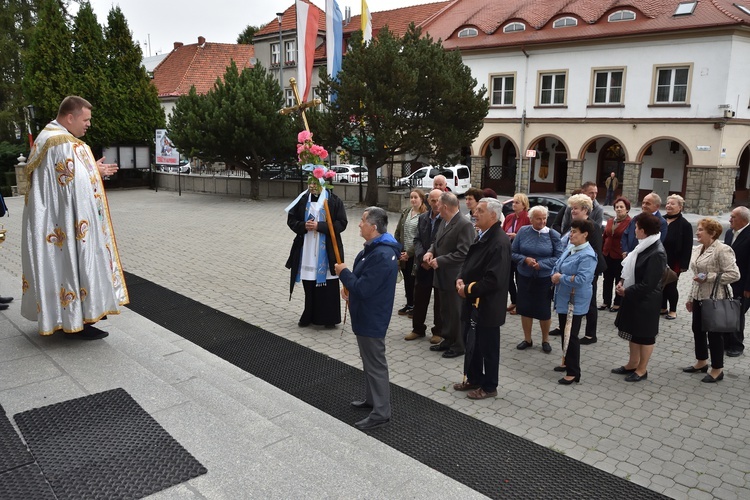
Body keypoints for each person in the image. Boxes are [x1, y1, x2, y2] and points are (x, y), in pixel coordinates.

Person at [21, 96, 126, 339]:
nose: (88, 124)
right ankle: (78, 321)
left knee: (59, 266)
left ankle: (63, 317)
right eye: (85, 119)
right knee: (74, 262)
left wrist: (92, 169)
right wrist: (93, 171)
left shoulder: (46, 137)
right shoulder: (65, 144)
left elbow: (65, 179)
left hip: (51, 222)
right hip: (67, 224)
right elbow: (76, 186)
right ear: (70, 117)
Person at [335, 207, 400, 430]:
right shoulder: (373, 249)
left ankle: (382, 412)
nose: (359, 224)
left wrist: (344, 273)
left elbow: (364, 288)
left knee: (375, 364)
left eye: (362, 221)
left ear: (373, 227)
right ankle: (372, 400)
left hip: (373, 316)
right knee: (369, 361)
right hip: (365, 313)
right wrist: (349, 288)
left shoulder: (382, 254)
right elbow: (362, 281)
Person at [453, 198, 511, 399]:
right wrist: (460, 278)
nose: (474, 213)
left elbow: (493, 280)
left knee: (488, 348)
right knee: (473, 344)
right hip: (472, 301)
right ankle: (474, 377)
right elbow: (468, 262)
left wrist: (467, 289)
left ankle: (489, 386)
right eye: (475, 210)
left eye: (480, 211)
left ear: (493, 216)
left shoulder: (500, 242)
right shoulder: (482, 235)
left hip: (487, 305)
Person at [285, 170, 347, 328]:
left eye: (315, 183)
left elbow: (342, 223)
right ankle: (309, 314)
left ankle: (328, 318)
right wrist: (303, 226)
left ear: (322, 184)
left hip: (327, 249)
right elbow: (291, 220)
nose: (311, 186)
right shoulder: (302, 199)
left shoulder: (333, 200)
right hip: (307, 247)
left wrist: (320, 226)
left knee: (328, 282)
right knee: (309, 281)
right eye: (309, 182)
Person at [612, 213, 668, 382]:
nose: (634, 230)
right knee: (634, 333)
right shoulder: (642, 246)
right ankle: (632, 364)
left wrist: (626, 291)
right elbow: (631, 270)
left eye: (636, 228)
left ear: (643, 231)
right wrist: (622, 282)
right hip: (636, 297)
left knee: (645, 336)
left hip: (647, 301)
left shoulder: (657, 252)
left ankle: (642, 369)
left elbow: (649, 284)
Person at [683, 219, 740, 383]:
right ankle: (701, 362)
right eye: (698, 229)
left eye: (701, 230)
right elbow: (696, 277)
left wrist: (709, 277)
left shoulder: (722, 250)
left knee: (714, 334)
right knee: (697, 329)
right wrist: (690, 298)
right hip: (698, 295)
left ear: (712, 233)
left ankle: (717, 369)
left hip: (716, 297)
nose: (697, 232)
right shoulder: (698, 248)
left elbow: (734, 274)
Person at [424, 192, 474, 358]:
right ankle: (447, 339)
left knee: (456, 312)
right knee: (445, 311)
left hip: (454, 276)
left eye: (438, 205)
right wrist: (430, 252)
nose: (436, 207)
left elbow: (464, 252)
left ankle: (459, 345)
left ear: (445, 207)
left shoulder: (464, 224)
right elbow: (436, 242)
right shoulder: (444, 221)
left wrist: (441, 260)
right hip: (442, 276)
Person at [551, 219, 597, 384]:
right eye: (571, 231)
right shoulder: (572, 247)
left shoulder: (588, 256)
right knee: (565, 331)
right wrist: (554, 273)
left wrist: (560, 277)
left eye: (575, 232)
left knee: (571, 335)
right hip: (564, 297)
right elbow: (558, 263)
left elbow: (583, 279)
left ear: (585, 235)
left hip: (575, 300)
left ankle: (573, 372)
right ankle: (566, 361)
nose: (571, 234)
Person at [511, 205, 562, 353]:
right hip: (525, 276)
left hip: (544, 278)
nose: (542, 221)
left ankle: (545, 340)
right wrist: (525, 259)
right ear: (531, 219)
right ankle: (527, 339)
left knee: (543, 310)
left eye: (544, 218)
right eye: (538, 218)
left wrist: (542, 264)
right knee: (525, 308)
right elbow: (513, 252)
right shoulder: (523, 231)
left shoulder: (553, 235)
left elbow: (559, 257)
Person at [407, 189, 443, 342]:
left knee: (439, 301)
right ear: (428, 201)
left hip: (438, 265)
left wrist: (433, 258)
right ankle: (418, 328)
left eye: (438, 201)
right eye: (432, 200)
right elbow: (417, 240)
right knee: (420, 298)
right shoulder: (423, 218)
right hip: (423, 264)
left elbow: (443, 243)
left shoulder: (446, 220)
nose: (435, 204)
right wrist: (423, 258)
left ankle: (438, 331)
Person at [394, 188, 427, 317]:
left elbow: (422, 237)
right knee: (407, 279)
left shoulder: (424, 215)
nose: (413, 200)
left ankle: (416, 306)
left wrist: (409, 253)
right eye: (411, 197)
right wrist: (398, 250)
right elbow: (398, 231)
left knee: (415, 281)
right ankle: (409, 303)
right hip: (403, 254)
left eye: (416, 197)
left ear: (421, 199)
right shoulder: (406, 212)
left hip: (415, 254)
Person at [660, 195, 693, 320]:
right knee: (660, 284)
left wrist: (684, 264)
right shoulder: (661, 220)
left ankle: (673, 310)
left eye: (672, 204)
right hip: (659, 259)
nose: (668, 206)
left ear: (680, 207)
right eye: (667, 203)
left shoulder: (685, 225)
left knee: (671, 285)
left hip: (674, 261)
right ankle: (662, 307)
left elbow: (687, 246)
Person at [723, 206, 750, 357]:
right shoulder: (729, 233)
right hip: (727, 281)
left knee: (737, 314)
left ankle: (736, 345)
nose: (729, 219)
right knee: (726, 310)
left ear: (743, 220)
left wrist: (748, 287)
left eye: (733, 217)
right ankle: (724, 341)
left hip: (743, 283)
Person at [600, 197, 631, 313]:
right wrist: (601, 250)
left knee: (619, 280)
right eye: (617, 207)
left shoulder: (630, 222)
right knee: (607, 279)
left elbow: (631, 239)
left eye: (621, 207)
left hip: (620, 256)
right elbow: (605, 236)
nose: (618, 209)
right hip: (607, 254)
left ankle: (617, 303)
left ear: (627, 209)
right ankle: (606, 301)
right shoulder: (610, 221)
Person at [502, 193, 531, 315]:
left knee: (520, 280)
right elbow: (503, 231)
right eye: (513, 202)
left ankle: (521, 305)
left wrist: (516, 236)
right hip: (509, 252)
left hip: (521, 253)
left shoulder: (528, 218)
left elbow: (530, 235)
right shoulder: (509, 217)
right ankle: (514, 300)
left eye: (517, 202)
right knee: (508, 278)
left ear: (524, 205)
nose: (513, 204)